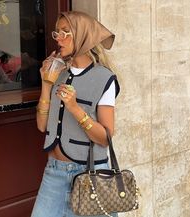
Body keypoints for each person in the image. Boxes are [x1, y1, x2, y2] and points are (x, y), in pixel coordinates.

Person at [31, 11, 120, 217]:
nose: (59, 39)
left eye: (65, 32)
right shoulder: (59, 73)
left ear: (83, 36)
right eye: (57, 33)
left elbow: (105, 138)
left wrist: (75, 108)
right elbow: (42, 126)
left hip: (90, 175)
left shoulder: (104, 78)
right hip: (54, 172)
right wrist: (46, 84)